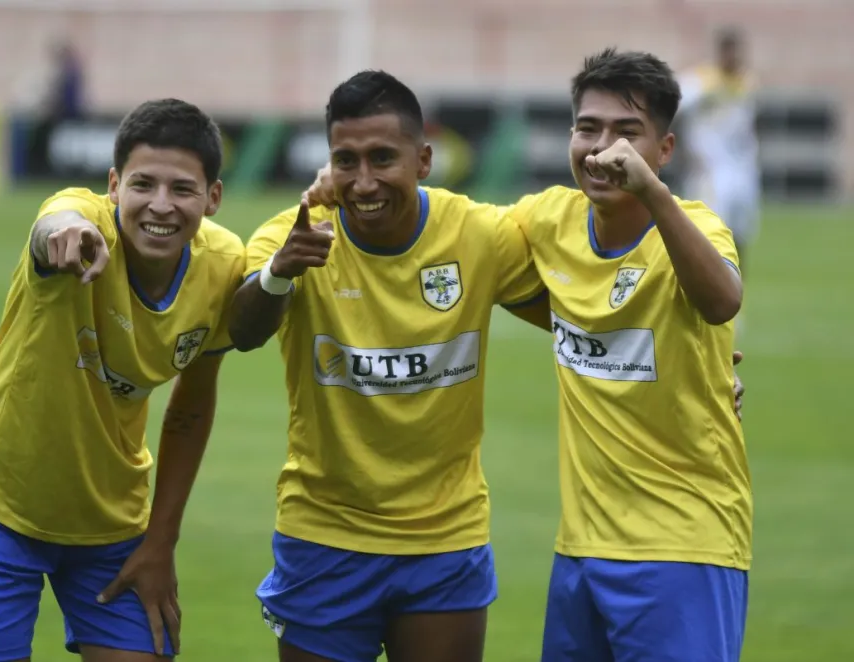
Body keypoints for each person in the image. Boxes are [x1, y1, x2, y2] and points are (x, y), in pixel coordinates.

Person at [231, 70, 746, 662]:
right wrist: (280, 273)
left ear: (423, 159)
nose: (365, 180)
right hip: (324, 533)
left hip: (449, 541)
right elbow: (242, 331)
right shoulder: (297, 237)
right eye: (346, 161)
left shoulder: (478, 234)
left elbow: (640, 304)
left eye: (382, 158)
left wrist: (694, 360)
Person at [0, 98, 245, 662]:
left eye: (182, 189)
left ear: (214, 198)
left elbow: (191, 410)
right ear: (113, 185)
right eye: (142, 184)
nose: (160, 205)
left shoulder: (224, 265)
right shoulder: (81, 221)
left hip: (110, 519)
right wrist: (64, 232)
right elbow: (56, 220)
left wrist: (161, 542)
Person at [509, 48, 751, 662]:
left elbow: (722, 301)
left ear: (664, 150)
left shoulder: (698, 226)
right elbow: (472, 262)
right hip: (580, 551)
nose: (602, 147)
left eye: (627, 132)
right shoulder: (547, 220)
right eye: (588, 128)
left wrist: (653, 194)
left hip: (683, 548)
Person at [677, 27, 760, 275]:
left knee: (741, 236)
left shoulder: (747, 83)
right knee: (711, 234)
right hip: (710, 172)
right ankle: (709, 291)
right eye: (728, 51)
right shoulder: (702, 82)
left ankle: (736, 296)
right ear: (720, 53)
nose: (733, 57)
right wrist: (683, 151)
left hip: (743, 171)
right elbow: (673, 110)